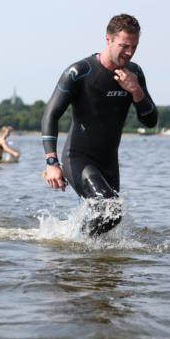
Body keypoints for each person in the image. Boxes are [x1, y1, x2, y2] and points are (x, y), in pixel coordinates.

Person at [41, 13, 158, 235]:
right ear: (108, 39)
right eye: (124, 46)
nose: (129, 52)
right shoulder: (79, 72)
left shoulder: (134, 73)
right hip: (78, 157)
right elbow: (50, 115)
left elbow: (150, 121)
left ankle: (74, 243)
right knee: (110, 210)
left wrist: (136, 91)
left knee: (108, 217)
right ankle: (77, 249)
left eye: (134, 47)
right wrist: (51, 163)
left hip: (109, 162)